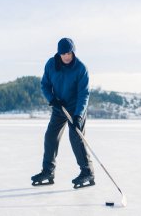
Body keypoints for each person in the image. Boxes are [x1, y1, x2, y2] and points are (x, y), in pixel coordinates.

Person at [31, 37, 95, 189]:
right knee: (50, 136)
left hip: (76, 108)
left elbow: (84, 94)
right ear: (58, 53)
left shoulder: (81, 68)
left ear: (73, 52)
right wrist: (52, 100)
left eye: (68, 53)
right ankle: (48, 171)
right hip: (60, 107)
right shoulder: (51, 65)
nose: (66, 56)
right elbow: (45, 85)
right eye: (63, 53)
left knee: (76, 137)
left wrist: (78, 115)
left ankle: (87, 172)